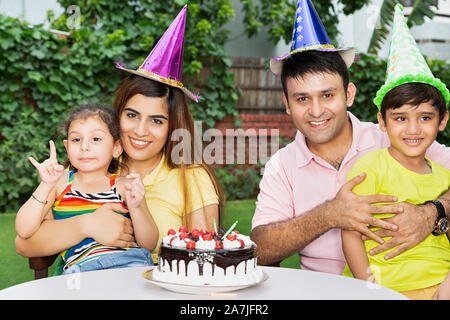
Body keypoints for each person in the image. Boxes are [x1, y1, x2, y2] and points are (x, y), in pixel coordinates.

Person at [251, 0, 450, 274]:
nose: (317, 111)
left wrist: (433, 213)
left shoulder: (394, 136)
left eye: (328, 95)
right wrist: (330, 214)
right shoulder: (282, 165)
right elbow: (260, 249)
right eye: (302, 99)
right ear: (287, 104)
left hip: (403, 285)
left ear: (350, 94)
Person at [15, 6, 224, 267]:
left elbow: (207, 259)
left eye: (156, 121)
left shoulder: (188, 176)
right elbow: (25, 242)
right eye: (132, 115)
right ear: (118, 114)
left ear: (173, 127)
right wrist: (86, 224)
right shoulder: (90, 165)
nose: (139, 130)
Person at [342, 4, 450, 300]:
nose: (413, 129)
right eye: (400, 118)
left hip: (439, 283)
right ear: (382, 122)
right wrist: (366, 283)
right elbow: (350, 232)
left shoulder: (444, 177)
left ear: (442, 120)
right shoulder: (371, 168)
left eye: (425, 117)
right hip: (385, 286)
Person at [16, 104, 158, 273]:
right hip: (82, 269)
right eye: (77, 140)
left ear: (116, 148)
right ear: (67, 148)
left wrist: (137, 207)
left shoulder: (123, 186)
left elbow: (148, 243)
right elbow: (23, 230)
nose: (84, 147)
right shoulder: (59, 184)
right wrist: (45, 185)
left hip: (128, 264)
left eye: (96, 139)